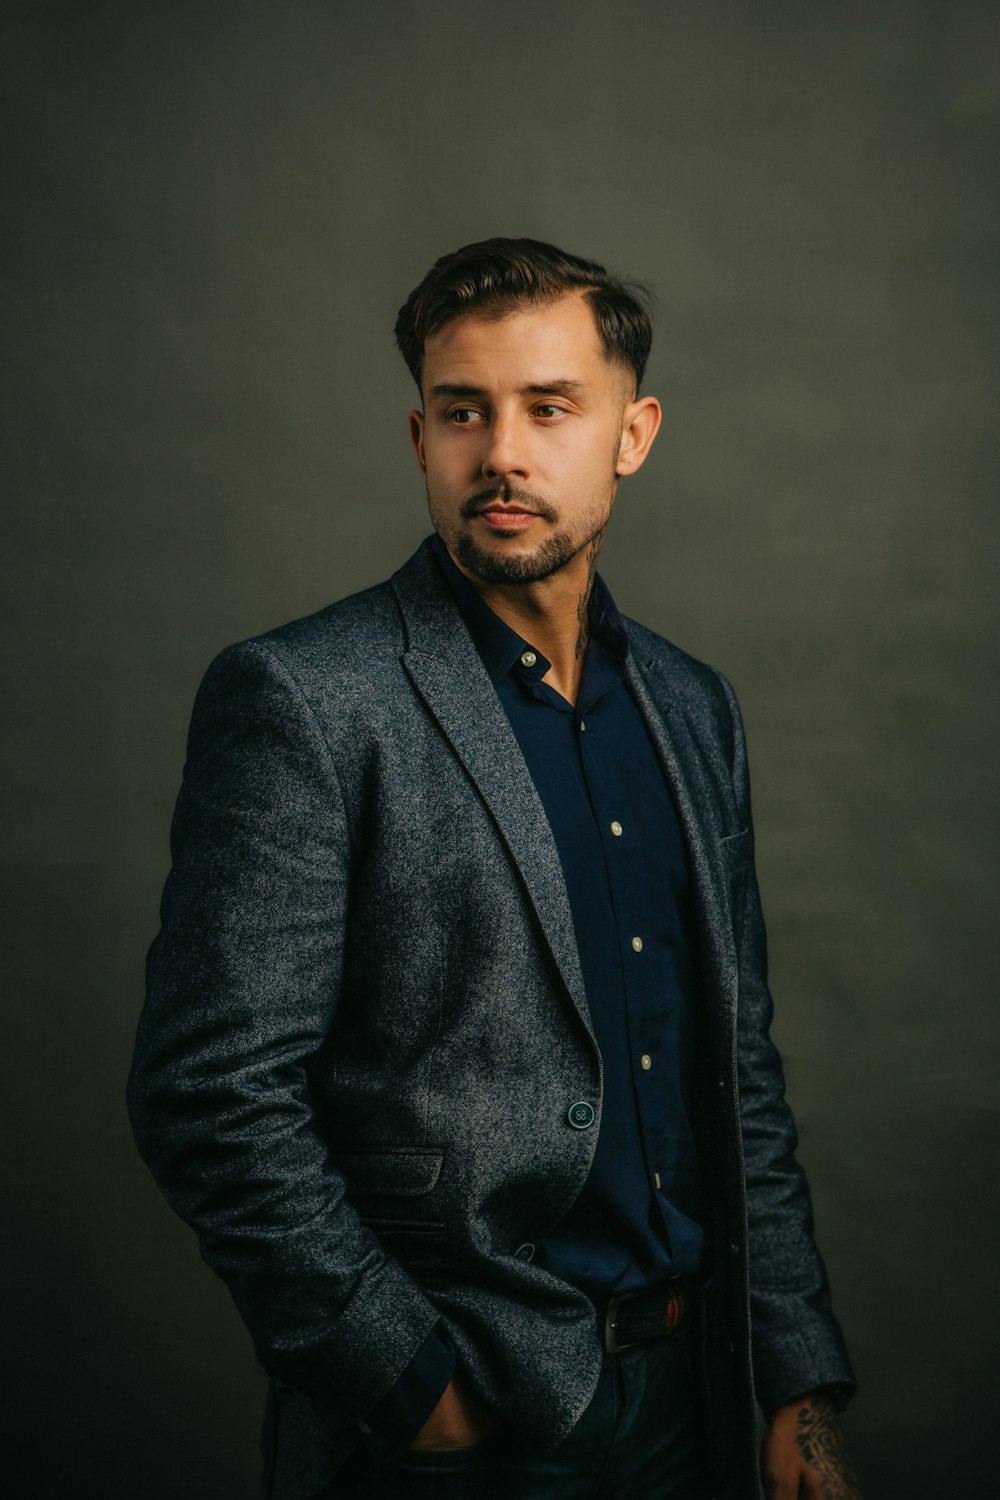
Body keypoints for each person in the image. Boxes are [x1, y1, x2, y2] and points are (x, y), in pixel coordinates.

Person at [128, 238, 859, 1500]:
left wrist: (795, 1380)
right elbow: (211, 1091)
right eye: (463, 411)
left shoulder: (691, 707)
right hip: (464, 1418)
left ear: (632, 433)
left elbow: (733, 1064)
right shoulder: (307, 698)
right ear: (421, 438)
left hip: (693, 1399)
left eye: (548, 408)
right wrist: (405, 1382)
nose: (501, 453)